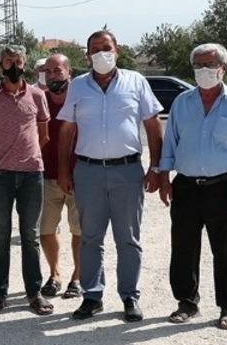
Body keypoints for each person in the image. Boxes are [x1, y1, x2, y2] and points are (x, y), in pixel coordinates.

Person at [57, 30, 164, 322]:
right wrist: (65, 170)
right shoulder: (78, 86)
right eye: (95, 49)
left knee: (128, 238)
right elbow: (66, 130)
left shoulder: (136, 81)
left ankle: (129, 297)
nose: (101, 53)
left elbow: (152, 124)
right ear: (87, 54)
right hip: (88, 171)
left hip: (127, 171)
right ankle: (92, 296)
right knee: (90, 237)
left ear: (117, 50)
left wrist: (156, 167)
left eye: (107, 48)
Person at [158, 43, 227, 330]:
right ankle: (186, 302)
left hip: (225, 186)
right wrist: (164, 177)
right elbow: (171, 143)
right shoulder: (182, 103)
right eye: (199, 65)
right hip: (186, 187)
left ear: (224, 68)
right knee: (183, 248)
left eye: (211, 64)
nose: (205, 70)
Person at [0, 45, 52, 316]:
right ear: (0, 65)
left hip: (32, 174)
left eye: (18, 61)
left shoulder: (37, 95)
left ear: (25, 64)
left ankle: (34, 293)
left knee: (30, 236)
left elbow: (43, 134)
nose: (13, 66)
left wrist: (26, 156)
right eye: (8, 61)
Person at [39, 53, 82, 299]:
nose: (53, 75)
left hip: (79, 177)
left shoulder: (81, 101)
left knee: (80, 230)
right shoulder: (39, 100)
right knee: (46, 229)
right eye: (48, 71)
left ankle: (77, 277)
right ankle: (54, 275)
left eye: (57, 70)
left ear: (69, 72)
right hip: (45, 176)